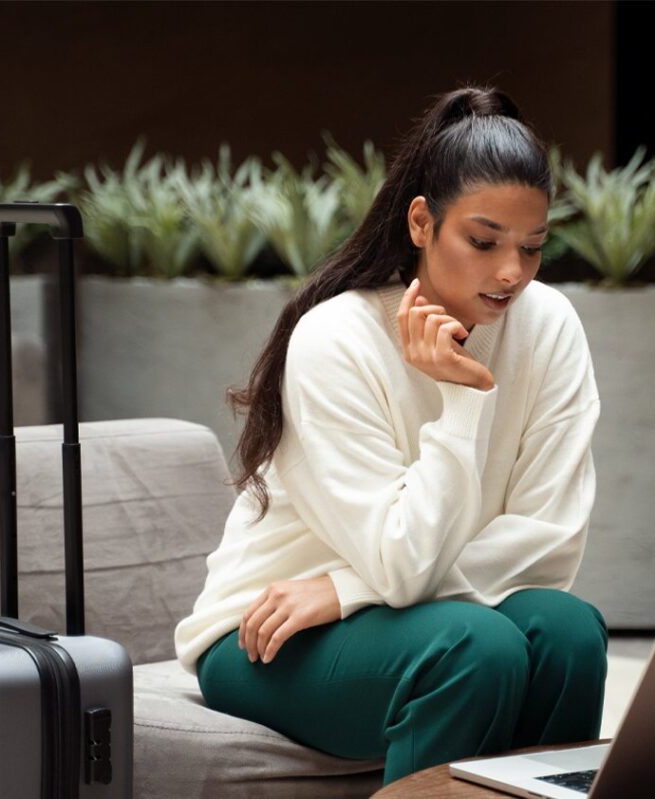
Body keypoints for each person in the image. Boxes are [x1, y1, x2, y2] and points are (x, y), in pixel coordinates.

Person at [174, 85, 606, 785]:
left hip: (389, 607)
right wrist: (461, 401)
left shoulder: (549, 327)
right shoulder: (337, 339)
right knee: (476, 648)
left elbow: (549, 545)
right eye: (483, 241)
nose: (511, 272)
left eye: (532, 247)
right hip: (270, 632)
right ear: (421, 222)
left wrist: (346, 589)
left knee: (569, 632)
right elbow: (402, 564)